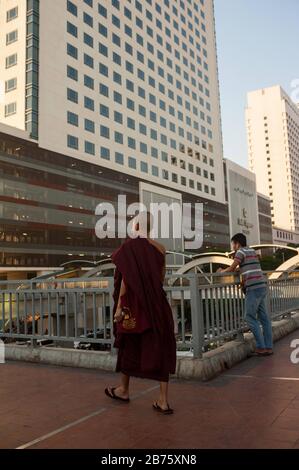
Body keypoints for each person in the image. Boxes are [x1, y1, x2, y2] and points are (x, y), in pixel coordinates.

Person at [105, 212, 177, 414]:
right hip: (157, 305)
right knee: (161, 345)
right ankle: (163, 400)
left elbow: (126, 282)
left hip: (134, 306)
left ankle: (124, 390)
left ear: (135, 227)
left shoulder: (128, 248)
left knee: (129, 345)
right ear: (150, 227)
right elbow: (161, 279)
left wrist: (119, 307)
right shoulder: (160, 249)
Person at [219, 233, 273, 356]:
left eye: (233, 243)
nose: (232, 246)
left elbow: (232, 268)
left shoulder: (240, 252)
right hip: (261, 286)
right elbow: (244, 266)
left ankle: (261, 347)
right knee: (264, 318)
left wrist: (222, 271)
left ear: (237, 243)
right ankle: (269, 347)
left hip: (253, 288)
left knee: (249, 317)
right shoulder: (251, 251)